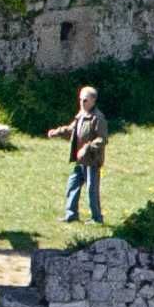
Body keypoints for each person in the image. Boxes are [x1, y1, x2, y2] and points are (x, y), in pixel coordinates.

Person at [59, 86, 110, 226]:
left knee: (91, 190)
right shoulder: (81, 114)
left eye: (85, 100)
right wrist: (57, 132)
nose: (82, 102)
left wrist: (86, 148)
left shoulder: (98, 118)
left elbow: (102, 139)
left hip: (92, 161)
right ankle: (71, 215)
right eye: (80, 99)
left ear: (93, 100)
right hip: (80, 161)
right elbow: (71, 130)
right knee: (72, 185)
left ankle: (96, 218)